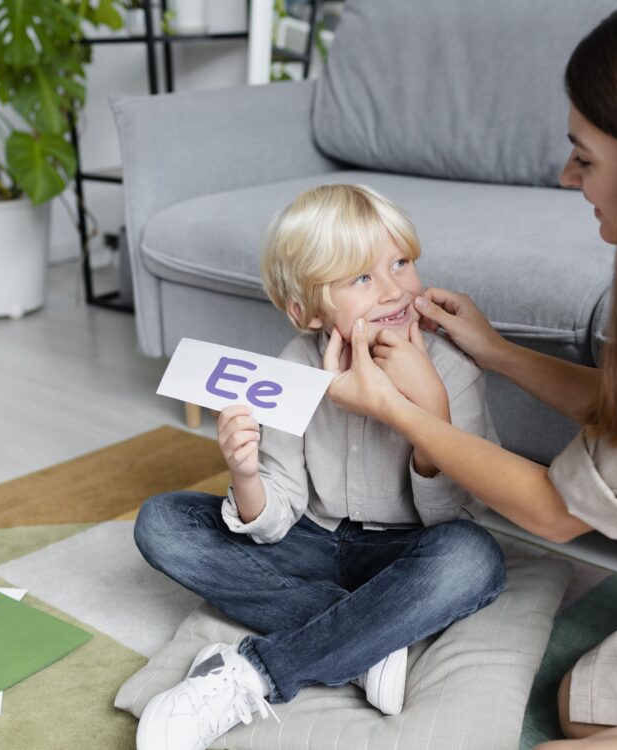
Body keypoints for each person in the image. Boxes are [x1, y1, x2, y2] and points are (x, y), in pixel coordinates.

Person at [320, 1, 617, 749]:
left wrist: (398, 414)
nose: (567, 177)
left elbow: (560, 512)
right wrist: (494, 351)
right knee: (587, 702)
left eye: (586, 157)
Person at [133, 184, 506, 750]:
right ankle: (366, 641)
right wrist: (245, 474)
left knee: (472, 557)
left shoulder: (451, 368)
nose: (393, 289)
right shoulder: (292, 366)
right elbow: (277, 514)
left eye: (400, 263)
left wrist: (428, 407)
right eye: (361, 278)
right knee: (161, 522)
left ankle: (259, 671)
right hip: (312, 540)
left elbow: (453, 513)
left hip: (407, 550)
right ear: (306, 311)